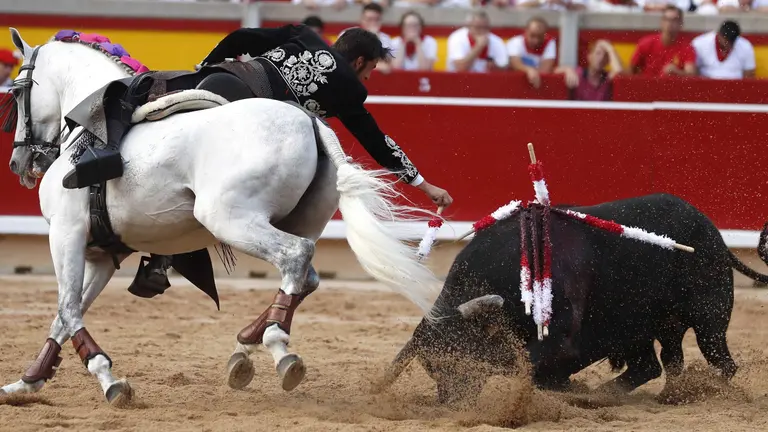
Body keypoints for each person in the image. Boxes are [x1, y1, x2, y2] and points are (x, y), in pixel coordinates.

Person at [61, 24, 454, 292]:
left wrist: (205, 64)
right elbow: (376, 141)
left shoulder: (305, 35)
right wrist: (422, 183)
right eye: (370, 72)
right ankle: (161, 258)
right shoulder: (352, 91)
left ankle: (105, 155)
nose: (367, 79)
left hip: (222, 81)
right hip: (251, 120)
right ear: (360, 64)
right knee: (213, 193)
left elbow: (242, 36)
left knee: (139, 92)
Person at [629, 5, 697, 77]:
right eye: (666, 19)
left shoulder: (687, 47)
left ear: (681, 24)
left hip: (673, 87)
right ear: (661, 22)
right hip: (647, 86)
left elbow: (691, 76)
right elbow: (630, 72)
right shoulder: (646, 43)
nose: (669, 23)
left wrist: (677, 73)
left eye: (674, 20)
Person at [560, 40, 625, 101]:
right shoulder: (578, 73)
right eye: (598, 53)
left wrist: (610, 49)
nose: (601, 58)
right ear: (589, 56)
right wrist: (567, 70)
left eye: (605, 55)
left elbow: (619, 71)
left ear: (608, 61)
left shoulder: (608, 77)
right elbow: (555, 71)